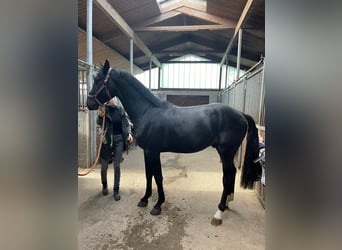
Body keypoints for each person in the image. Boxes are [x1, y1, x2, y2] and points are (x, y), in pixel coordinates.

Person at [97, 97, 133, 200]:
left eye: (111, 99)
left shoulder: (120, 109)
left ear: (114, 99)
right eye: (108, 100)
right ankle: (104, 185)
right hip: (107, 140)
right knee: (104, 167)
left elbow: (126, 122)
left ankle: (116, 189)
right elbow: (99, 122)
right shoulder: (104, 110)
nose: (110, 101)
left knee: (117, 166)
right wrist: (100, 116)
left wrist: (129, 133)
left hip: (119, 140)